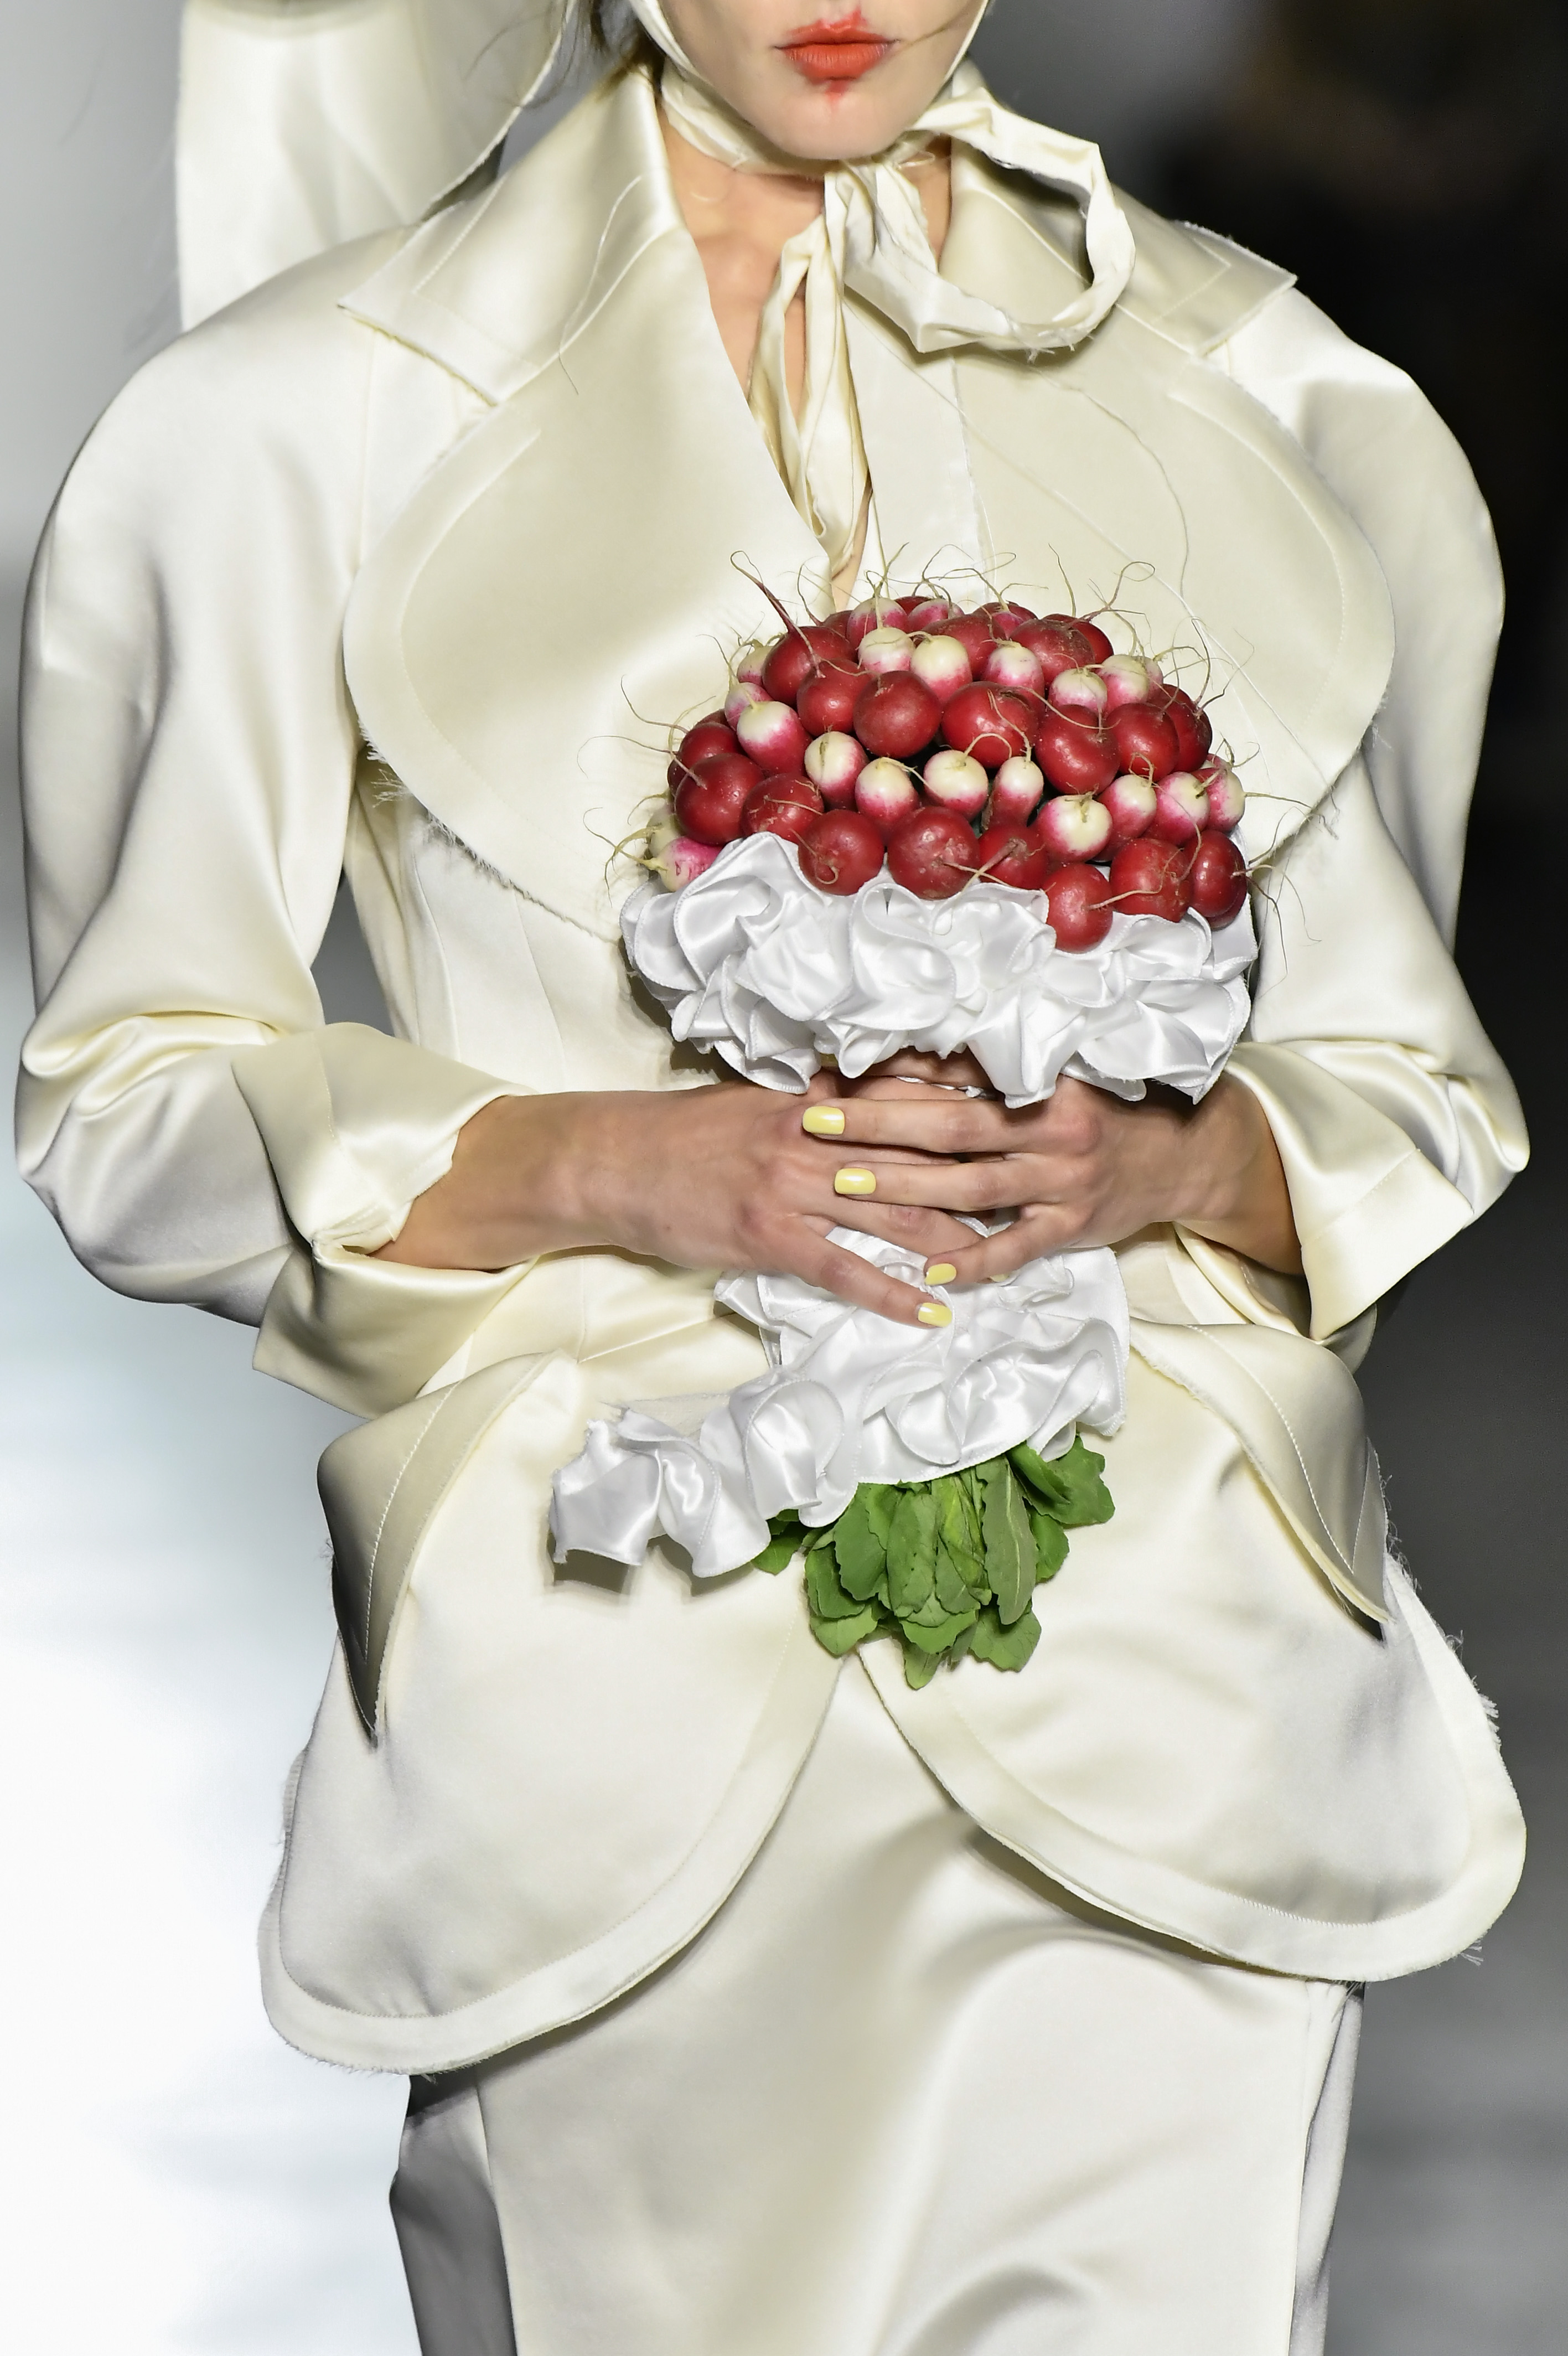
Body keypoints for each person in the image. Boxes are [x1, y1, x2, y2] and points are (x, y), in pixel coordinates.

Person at [16, 2, 1528, 2348]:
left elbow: (1401, 1080)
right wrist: (616, 1162)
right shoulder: (302, 419)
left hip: (1164, 1714)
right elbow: (127, 1092)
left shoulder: (1275, 401)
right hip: (610, 1702)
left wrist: (1167, 1158)